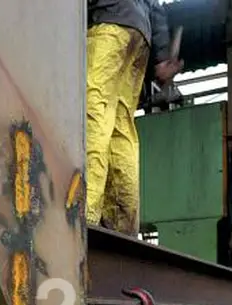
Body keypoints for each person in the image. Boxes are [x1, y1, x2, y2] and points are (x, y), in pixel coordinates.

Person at [86, 0, 183, 235]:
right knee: (121, 126)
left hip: (109, 23)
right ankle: (124, 223)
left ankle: (86, 210)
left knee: (94, 111)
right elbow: (156, 7)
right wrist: (161, 57)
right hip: (140, 36)